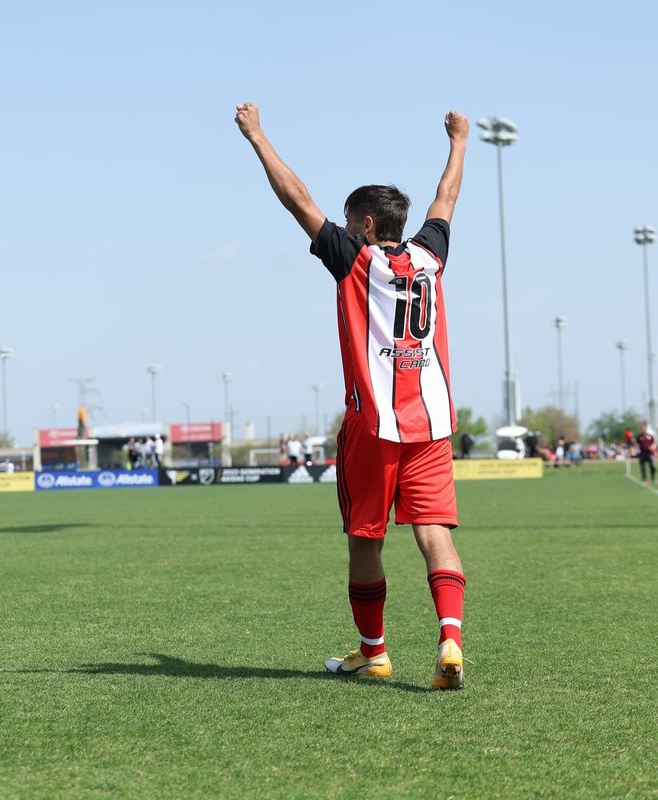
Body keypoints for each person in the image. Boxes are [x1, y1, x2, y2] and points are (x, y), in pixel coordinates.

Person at [236, 102, 468, 689]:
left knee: (365, 538)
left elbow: (297, 200)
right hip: (434, 424)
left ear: (364, 224)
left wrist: (258, 136)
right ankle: (450, 640)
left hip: (376, 425)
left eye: (347, 219)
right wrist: (459, 142)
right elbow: (446, 198)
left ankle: (376, 651)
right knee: (433, 533)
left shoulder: (356, 260)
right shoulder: (431, 256)